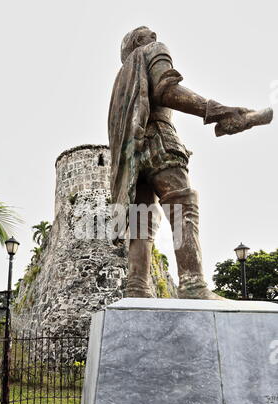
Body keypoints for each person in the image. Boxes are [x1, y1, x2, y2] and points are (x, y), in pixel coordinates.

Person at [108, 26, 272, 299]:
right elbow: (167, 90)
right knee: (182, 205)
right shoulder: (152, 51)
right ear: (139, 41)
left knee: (140, 219)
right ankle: (193, 285)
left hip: (130, 158)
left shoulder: (121, 80)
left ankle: (137, 288)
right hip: (160, 139)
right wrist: (216, 110)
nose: (155, 36)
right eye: (149, 34)